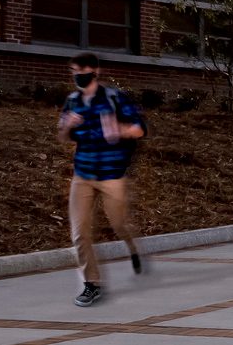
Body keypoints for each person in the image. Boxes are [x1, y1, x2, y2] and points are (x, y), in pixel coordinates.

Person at [57, 53, 147, 308]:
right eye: (74, 70)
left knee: (118, 223)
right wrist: (68, 125)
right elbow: (63, 136)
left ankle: (131, 248)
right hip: (83, 175)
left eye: (82, 70)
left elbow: (139, 129)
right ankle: (92, 284)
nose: (77, 75)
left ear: (95, 71)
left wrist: (118, 129)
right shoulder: (72, 101)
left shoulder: (114, 98)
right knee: (79, 232)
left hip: (111, 176)